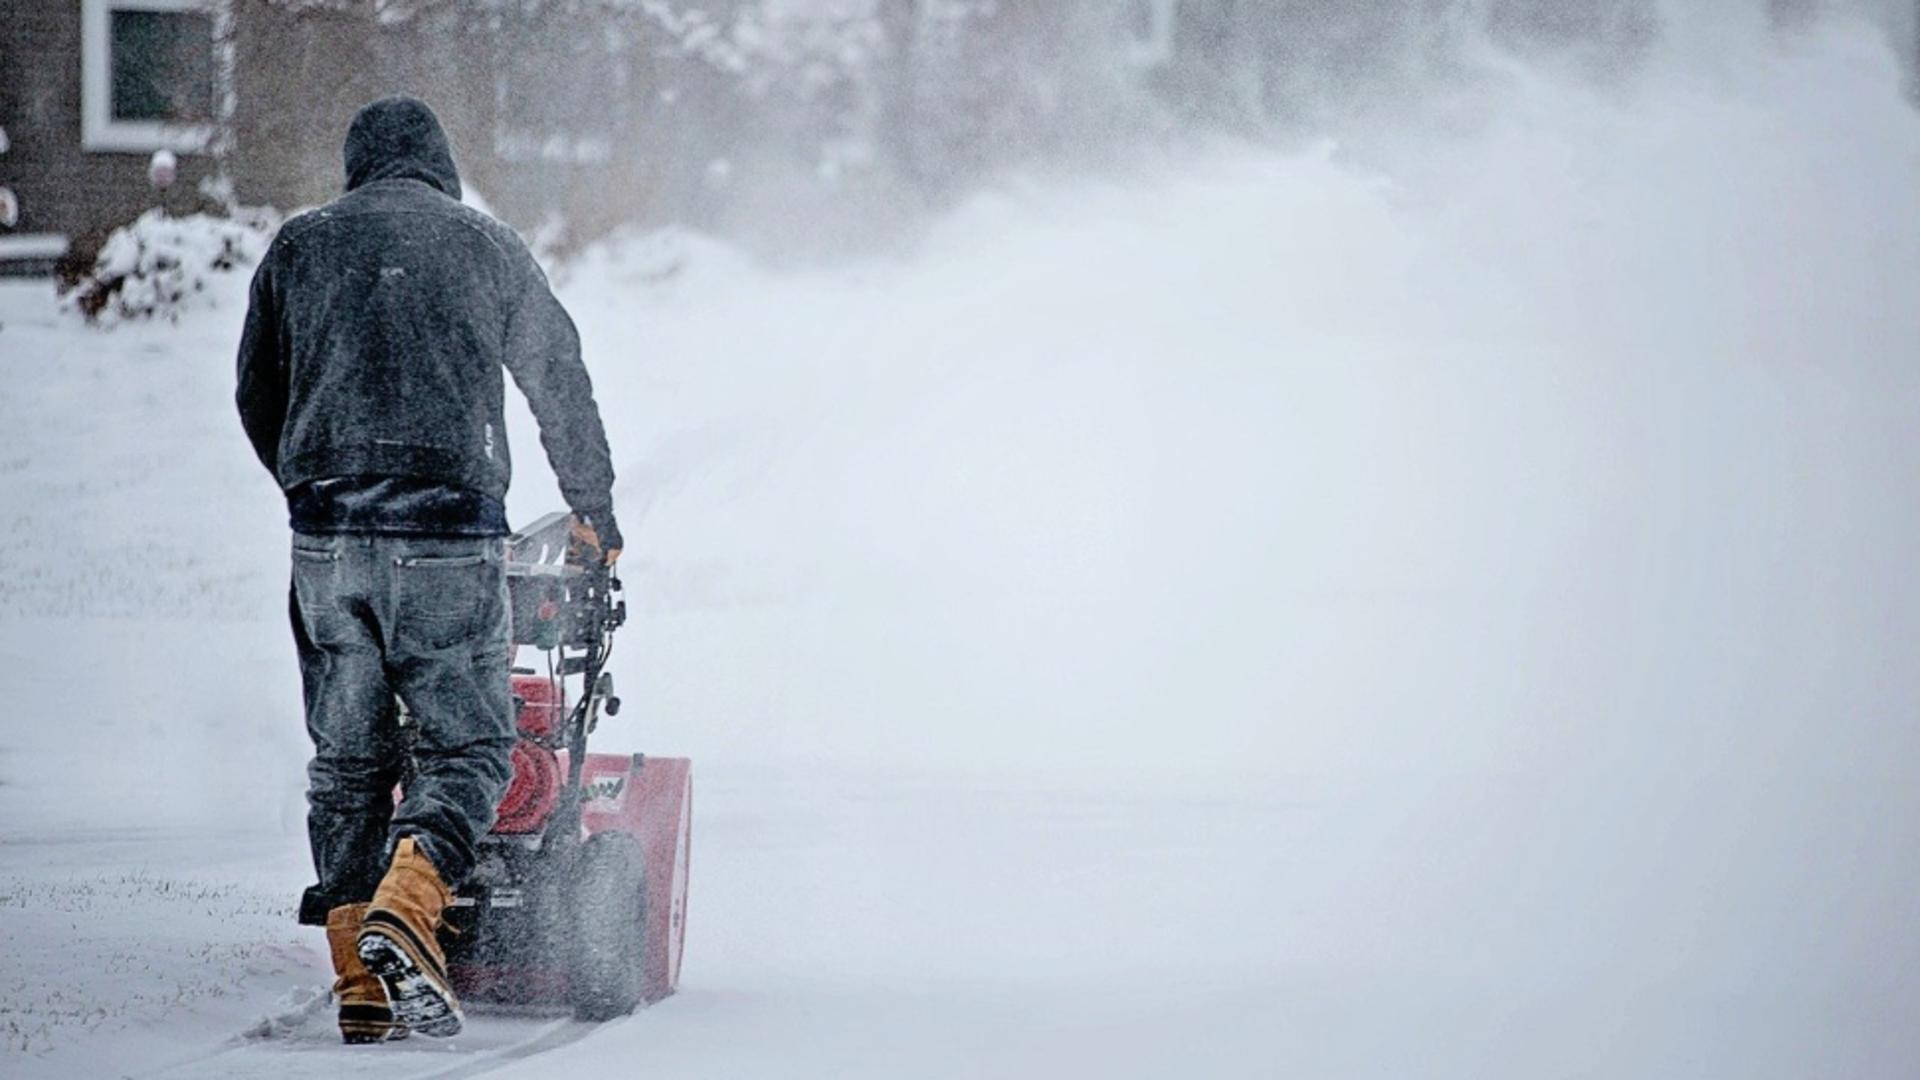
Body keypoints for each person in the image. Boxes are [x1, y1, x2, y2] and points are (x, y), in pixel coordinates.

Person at [235, 95, 621, 1043]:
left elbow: (255, 390)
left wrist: (309, 481)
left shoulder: (299, 245)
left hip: (327, 537)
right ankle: (406, 913)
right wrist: (594, 510)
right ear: (440, 168)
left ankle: (357, 981)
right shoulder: (484, 246)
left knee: (350, 762)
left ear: (356, 166)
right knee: (469, 750)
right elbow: (556, 374)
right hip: (448, 534)